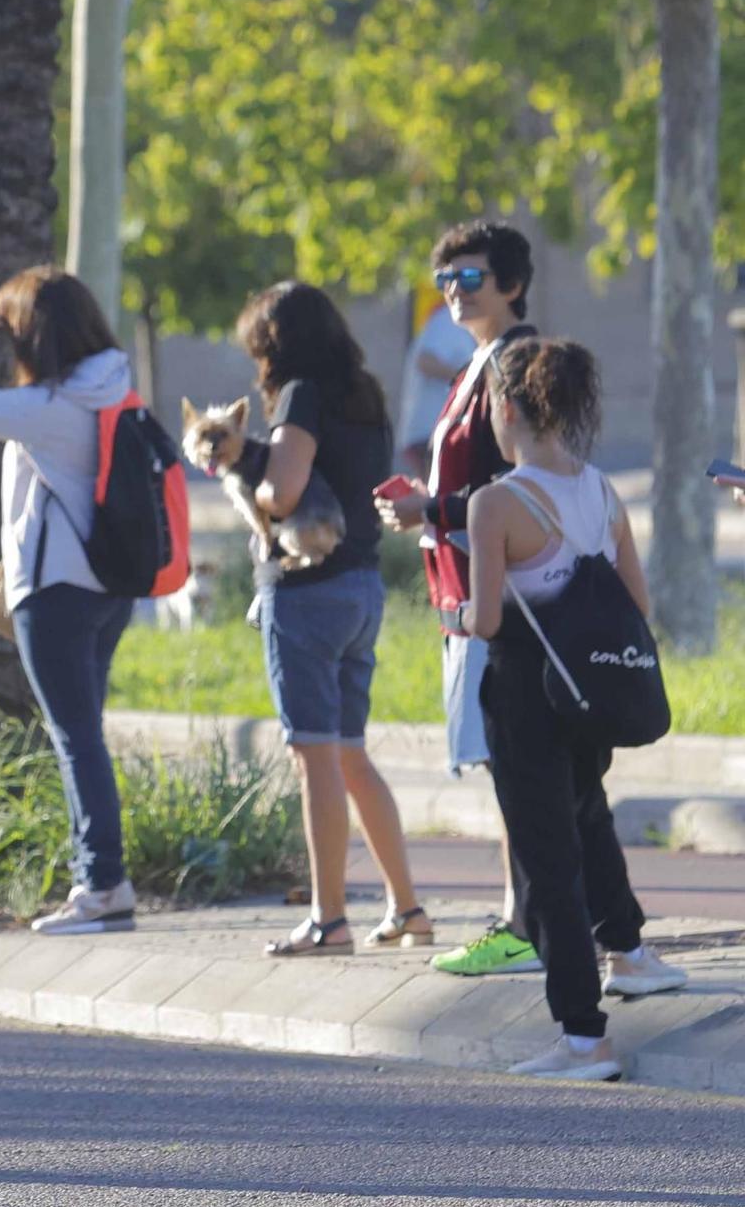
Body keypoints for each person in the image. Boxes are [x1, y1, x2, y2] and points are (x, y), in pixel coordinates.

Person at [464, 337, 687, 1081]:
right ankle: (630, 951)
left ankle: (584, 1036)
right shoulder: (602, 490)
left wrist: (461, 613)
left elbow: (489, 620)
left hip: (525, 693)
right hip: (587, 695)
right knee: (587, 816)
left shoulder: (497, 501)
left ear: (506, 408)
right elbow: (638, 602)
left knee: (546, 861)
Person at [0, 267, 139, 936]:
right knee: (84, 736)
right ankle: (99, 877)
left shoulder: (52, 406)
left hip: (55, 596)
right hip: (109, 590)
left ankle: (102, 883)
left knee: (75, 738)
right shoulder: (113, 389)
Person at [235, 281, 426, 957]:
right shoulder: (365, 394)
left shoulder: (302, 395)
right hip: (363, 586)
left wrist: (247, 475)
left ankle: (329, 917)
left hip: (308, 590)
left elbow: (282, 490)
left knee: (311, 754)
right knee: (347, 752)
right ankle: (406, 905)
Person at [377, 220, 541, 979]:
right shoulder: (479, 361)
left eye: (469, 278)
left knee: (518, 764)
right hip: (468, 593)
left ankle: (528, 921)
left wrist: (432, 510)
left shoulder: (518, 362)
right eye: (445, 279)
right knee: (504, 762)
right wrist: (429, 502)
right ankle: (530, 916)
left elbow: (527, 484)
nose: (452, 291)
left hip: (506, 598)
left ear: (510, 284)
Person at [397, 295, 476, 475]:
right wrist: (469, 380)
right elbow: (425, 361)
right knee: (438, 497)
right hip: (433, 430)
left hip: (438, 432)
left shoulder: (455, 322)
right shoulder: (448, 319)